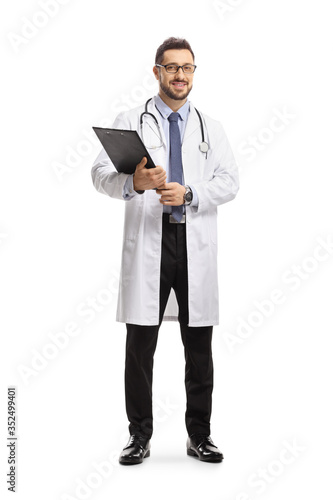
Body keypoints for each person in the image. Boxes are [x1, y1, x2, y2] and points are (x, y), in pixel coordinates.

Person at [91, 37, 239, 465]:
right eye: (171, 68)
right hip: (149, 243)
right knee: (140, 347)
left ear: (194, 73)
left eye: (187, 68)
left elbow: (230, 181)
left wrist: (191, 193)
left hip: (193, 243)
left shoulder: (211, 127)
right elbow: (99, 174)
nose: (180, 75)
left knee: (199, 347)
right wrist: (134, 184)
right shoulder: (130, 120)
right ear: (157, 72)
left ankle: (200, 436)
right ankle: (139, 436)